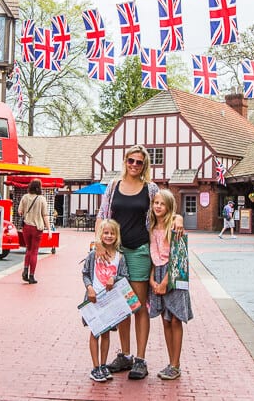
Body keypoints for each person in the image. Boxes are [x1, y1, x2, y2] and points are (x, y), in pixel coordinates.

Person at [96, 145, 184, 380]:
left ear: (145, 165)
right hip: (117, 253)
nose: (134, 165)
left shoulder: (150, 188)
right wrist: (98, 243)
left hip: (139, 252)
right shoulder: (114, 186)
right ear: (125, 161)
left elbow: (166, 207)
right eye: (131, 160)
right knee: (120, 306)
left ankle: (140, 359)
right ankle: (124, 354)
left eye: (139, 162)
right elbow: (102, 216)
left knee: (138, 305)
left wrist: (178, 217)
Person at [147, 189, 193, 380]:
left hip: (173, 273)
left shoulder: (174, 227)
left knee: (175, 319)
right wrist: (152, 279)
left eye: (162, 204)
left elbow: (178, 255)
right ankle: (170, 362)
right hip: (156, 272)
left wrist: (165, 280)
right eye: (155, 203)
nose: (158, 206)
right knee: (165, 320)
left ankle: (176, 363)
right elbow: (152, 254)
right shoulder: (150, 226)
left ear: (169, 207)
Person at [81, 219, 128, 383]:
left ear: (117, 236)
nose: (109, 236)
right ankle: (95, 367)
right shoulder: (93, 255)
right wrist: (89, 288)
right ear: (100, 234)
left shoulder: (120, 257)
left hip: (109, 301)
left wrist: (113, 279)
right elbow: (85, 273)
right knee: (95, 333)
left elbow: (124, 276)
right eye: (106, 233)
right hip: (94, 299)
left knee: (106, 333)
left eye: (112, 233)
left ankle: (103, 365)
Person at [17, 178, 51, 284]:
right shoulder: (41, 199)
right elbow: (45, 215)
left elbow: (19, 211)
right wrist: (49, 229)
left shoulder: (25, 197)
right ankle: (31, 276)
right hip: (37, 228)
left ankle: (25, 270)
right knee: (34, 252)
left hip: (26, 227)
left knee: (28, 249)